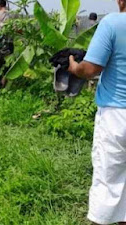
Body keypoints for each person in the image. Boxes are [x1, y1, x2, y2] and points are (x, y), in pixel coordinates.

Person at [67, 1, 126, 224]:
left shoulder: (112, 23)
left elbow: (90, 69)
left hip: (116, 115)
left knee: (108, 181)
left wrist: (74, 66)